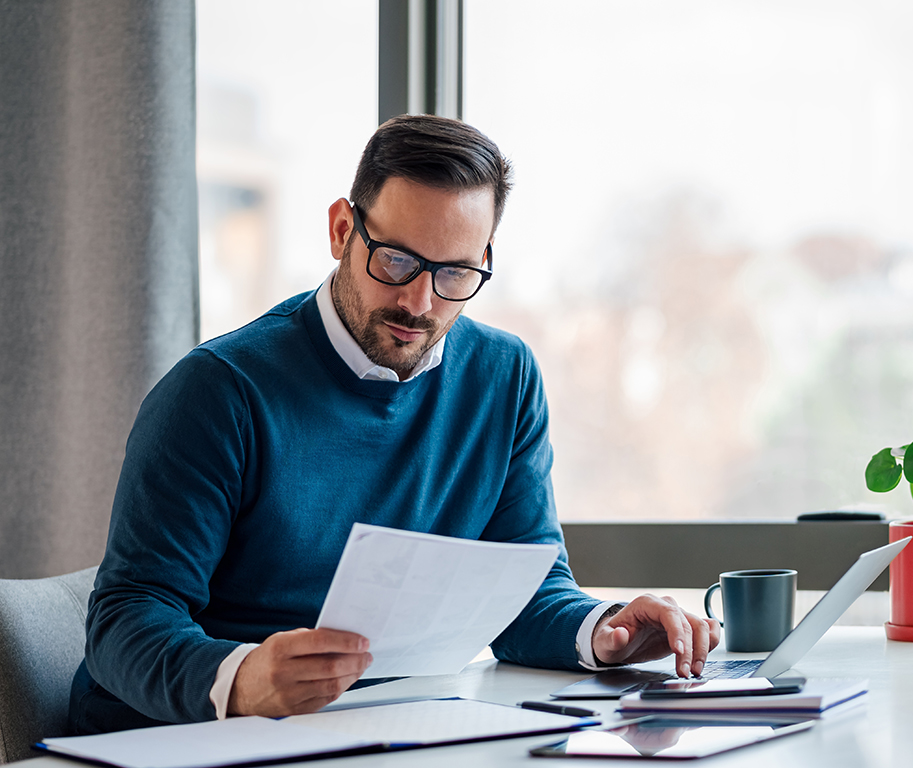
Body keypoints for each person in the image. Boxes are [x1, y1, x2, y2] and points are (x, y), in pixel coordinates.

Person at [69, 114, 720, 734]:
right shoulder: (217, 392)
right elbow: (125, 621)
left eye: (455, 273)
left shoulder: (505, 377)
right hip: (181, 737)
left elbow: (526, 592)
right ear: (340, 231)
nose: (419, 301)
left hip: (380, 726)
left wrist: (605, 630)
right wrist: (241, 677)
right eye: (398, 261)